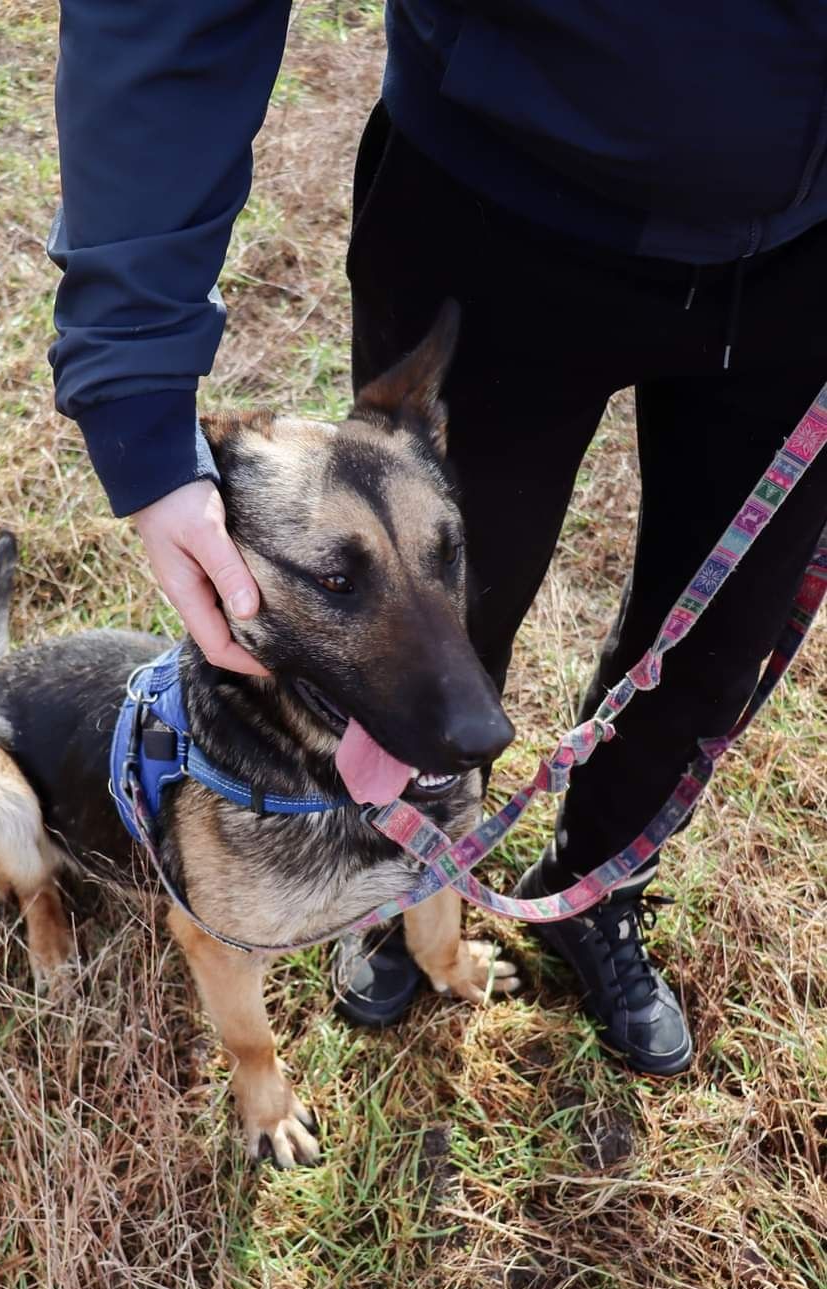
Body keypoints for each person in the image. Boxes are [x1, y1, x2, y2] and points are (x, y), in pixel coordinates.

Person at [47, 2, 827, 1076]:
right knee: (457, 634)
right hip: (497, 205)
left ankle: (594, 892)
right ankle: (392, 877)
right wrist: (136, 387)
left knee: (709, 654)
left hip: (806, 263)